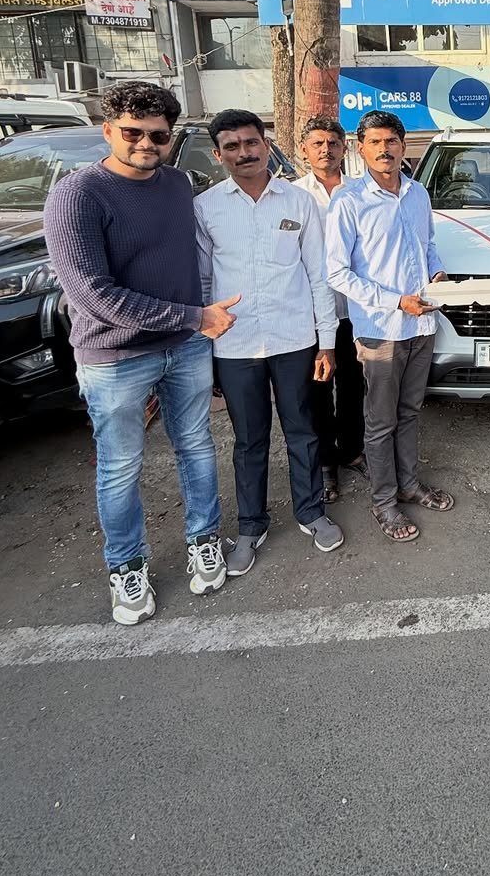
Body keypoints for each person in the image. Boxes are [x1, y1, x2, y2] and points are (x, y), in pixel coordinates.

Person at [43, 81, 237, 625]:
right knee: (120, 465)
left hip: (185, 349)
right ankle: (126, 566)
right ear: (108, 131)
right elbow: (91, 294)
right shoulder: (78, 194)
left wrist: (196, 322)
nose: (145, 143)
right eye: (133, 132)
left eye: (157, 134)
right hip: (116, 357)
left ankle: (203, 538)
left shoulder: (177, 185)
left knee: (196, 447)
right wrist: (196, 318)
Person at [195, 108, 343, 576]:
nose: (245, 153)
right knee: (248, 440)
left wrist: (326, 342)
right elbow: (201, 282)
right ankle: (250, 526)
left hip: (294, 337)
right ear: (219, 154)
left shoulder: (297, 203)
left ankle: (311, 512)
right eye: (233, 146)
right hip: (235, 345)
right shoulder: (205, 208)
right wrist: (205, 346)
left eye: (252, 143)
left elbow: (319, 275)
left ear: (266, 144)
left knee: (303, 431)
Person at [324, 110, 454, 542]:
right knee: (379, 422)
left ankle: (409, 483)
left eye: (392, 141)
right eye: (375, 142)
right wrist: (396, 301)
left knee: (410, 411)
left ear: (403, 146)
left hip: (422, 325)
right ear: (359, 149)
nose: (384, 149)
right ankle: (384, 502)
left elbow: (429, 245)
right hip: (381, 328)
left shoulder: (418, 194)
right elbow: (337, 274)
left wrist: (437, 275)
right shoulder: (349, 200)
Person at [294, 115, 366, 503]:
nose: (326, 149)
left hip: (356, 311)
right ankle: (325, 464)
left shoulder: (360, 192)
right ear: (304, 150)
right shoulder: (293, 195)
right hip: (310, 313)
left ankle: (353, 450)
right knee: (317, 389)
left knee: (354, 385)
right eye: (317, 143)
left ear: (345, 148)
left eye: (333, 143)